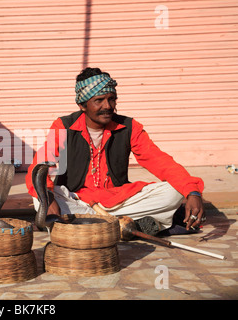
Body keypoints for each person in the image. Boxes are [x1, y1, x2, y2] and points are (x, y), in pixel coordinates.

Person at [26, 67, 205, 236]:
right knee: (40, 196)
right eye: (99, 100)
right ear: (82, 105)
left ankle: (89, 225)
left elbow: (160, 161)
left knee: (173, 191)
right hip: (77, 200)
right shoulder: (63, 126)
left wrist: (192, 192)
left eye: (112, 99)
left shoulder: (129, 127)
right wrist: (49, 200)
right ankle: (126, 224)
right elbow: (39, 166)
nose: (108, 106)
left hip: (118, 200)